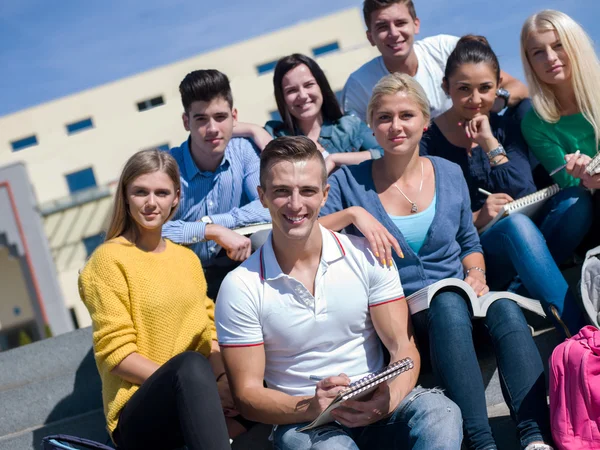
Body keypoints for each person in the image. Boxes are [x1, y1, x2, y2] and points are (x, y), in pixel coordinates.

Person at [320, 73, 553, 450]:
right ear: (371, 126)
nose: (395, 126)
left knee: (507, 308)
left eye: (406, 115)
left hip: (463, 305)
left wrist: (476, 272)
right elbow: (307, 234)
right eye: (384, 117)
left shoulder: (448, 172)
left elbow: (467, 240)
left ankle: (535, 438)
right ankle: (481, 443)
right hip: (406, 318)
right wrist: (353, 216)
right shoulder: (350, 182)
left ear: (424, 121)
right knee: (446, 302)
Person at [215, 136, 463, 450]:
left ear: (324, 194)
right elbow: (247, 395)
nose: (295, 204)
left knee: (441, 413)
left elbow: (404, 348)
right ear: (262, 197)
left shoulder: (368, 255)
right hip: (305, 422)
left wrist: (388, 399)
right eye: (281, 191)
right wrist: (310, 405)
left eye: (307, 191)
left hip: (377, 404)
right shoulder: (240, 286)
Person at [419, 35, 590, 335]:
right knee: (516, 229)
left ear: (498, 85)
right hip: (478, 254)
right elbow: (429, 219)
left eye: (485, 88)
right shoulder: (427, 142)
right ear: (446, 87)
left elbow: (522, 191)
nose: (475, 100)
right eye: (463, 89)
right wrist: (476, 219)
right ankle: (579, 331)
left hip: (532, 237)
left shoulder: (504, 124)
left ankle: (523, 289)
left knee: (578, 202)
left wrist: (489, 143)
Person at [78, 149, 233, 450]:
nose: (151, 203)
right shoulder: (108, 261)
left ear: (176, 198)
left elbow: (208, 335)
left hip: (196, 393)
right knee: (188, 367)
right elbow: (118, 356)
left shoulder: (187, 259)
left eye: (161, 193)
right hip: (139, 412)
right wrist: (195, 387)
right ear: (125, 196)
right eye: (141, 192)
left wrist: (224, 381)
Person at [162, 69, 271, 300]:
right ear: (186, 122)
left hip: (240, 266)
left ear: (234, 116)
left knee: (267, 239)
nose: (212, 129)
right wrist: (210, 231)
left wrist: (217, 222)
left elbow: (267, 207)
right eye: (201, 119)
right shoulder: (166, 168)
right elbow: (150, 229)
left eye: (220, 117)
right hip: (185, 280)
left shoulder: (244, 151)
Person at [341, 0, 529, 123]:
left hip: (475, 142)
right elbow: (358, 143)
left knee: (526, 111)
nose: (393, 33)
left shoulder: (445, 49)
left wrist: (495, 102)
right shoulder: (360, 85)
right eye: (382, 27)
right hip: (414, 165)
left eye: (400, 23)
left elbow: (518, 87)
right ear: (370, 37)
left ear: (416, 25)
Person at [520, 10, 600, 252]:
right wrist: (588, 174)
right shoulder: (535, 122)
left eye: (558, 45)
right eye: (538, 52)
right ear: (530, 62)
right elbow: (568, 182)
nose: (550, 57)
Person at [264, 53, 382, 174]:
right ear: (282, 98)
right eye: (291, 90)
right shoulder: (275, 135)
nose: (303, 95)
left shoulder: (350, 126)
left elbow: (385, 153)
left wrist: (334, 159)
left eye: (309, 85)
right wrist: (253, 130)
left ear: (321, 86)